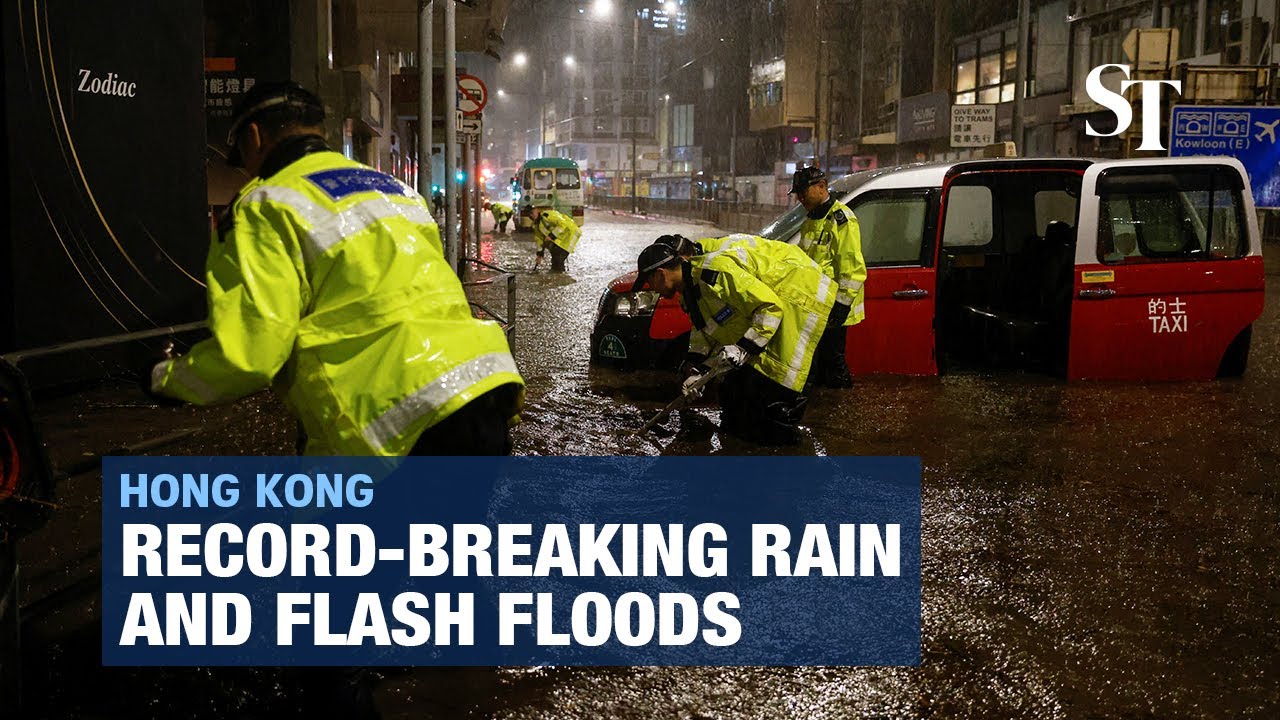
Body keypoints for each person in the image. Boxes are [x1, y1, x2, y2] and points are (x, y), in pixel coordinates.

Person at [150, 81, 524, 456]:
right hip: (482, 393)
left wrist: (166, 378)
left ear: (254, 136)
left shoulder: (264, 206)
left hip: (400, 424)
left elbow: (251, 356)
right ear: (320, 131)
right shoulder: (393, 189)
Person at [633, 235, 835, 445]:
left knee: (778, 393)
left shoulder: (714, 273)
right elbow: (706, 329)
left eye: (649, 282)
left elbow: (770, 308)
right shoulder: (689, 289)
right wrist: (697, 370)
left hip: (798, 301)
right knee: (736, 401)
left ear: (660, 274)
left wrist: (742, 348)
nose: (651, 289)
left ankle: (789, 456)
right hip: (770, 309)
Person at [790, 165, 867, 389]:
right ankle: (831, 406)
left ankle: (840, 404)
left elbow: (852, 268)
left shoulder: (842, 219)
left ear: (821, 186)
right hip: (818, 303)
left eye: (804, 192)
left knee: (833, 361)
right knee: (822, 361)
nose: (800, 198)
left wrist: (841, 306)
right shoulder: (811, 220)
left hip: (835, 305)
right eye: (798, 194)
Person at [530, 204, 581, 272]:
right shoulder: (537, 225)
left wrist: (551, 236)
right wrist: (540, 254)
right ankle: (558, 276)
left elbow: (563, 224)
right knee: (555, 258)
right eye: (529, 214)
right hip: (560, 239)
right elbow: (539, 240)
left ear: (537, 210)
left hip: (569, 235)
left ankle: (561, 277)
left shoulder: (548, 215)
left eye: (532, 213)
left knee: (558, 259)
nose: (531, 215)